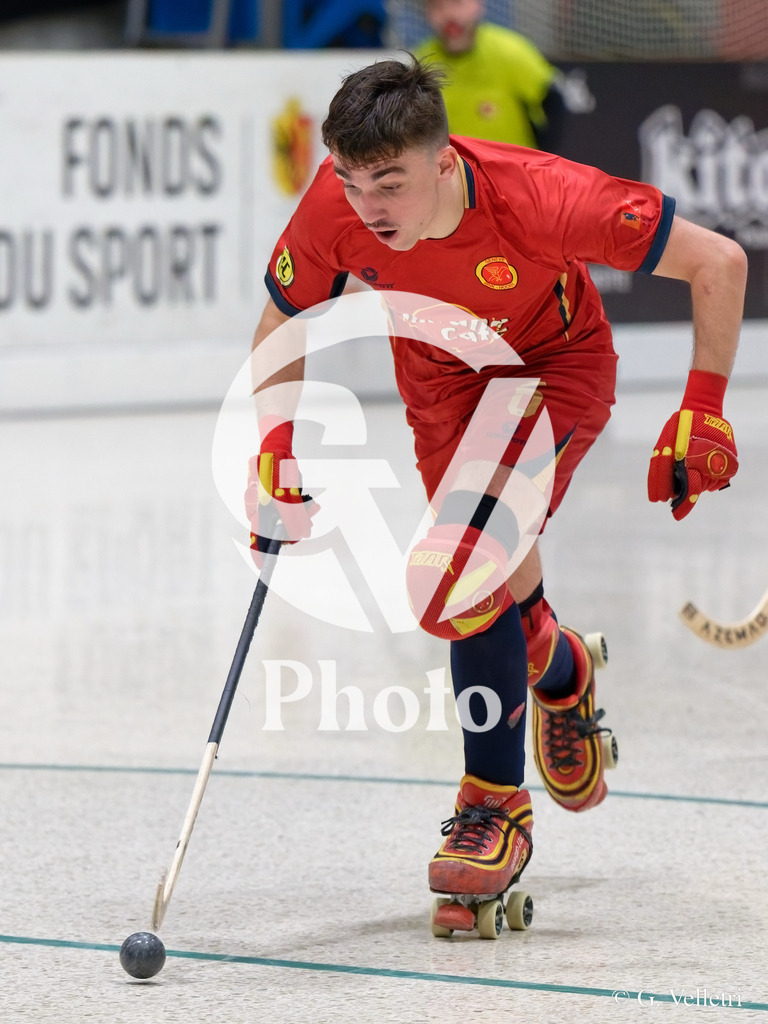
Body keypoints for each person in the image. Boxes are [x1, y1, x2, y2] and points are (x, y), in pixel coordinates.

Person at [245, 56, 746, 935]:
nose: (369, 208)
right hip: (442, 387)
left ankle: (493, 809)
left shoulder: (542, 197)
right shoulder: (337, 203)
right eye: (355, 183)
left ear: (443, 163)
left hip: (554, 369)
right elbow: (283, 320)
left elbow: (721, 261)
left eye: (390, 183)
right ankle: (561, 668)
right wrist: (275, 448)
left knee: (457, 573)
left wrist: (702, 408)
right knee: (485, 575)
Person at [414, 0, 565, 150]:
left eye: (457, 3)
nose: (449, 15)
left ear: (478, 5)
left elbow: (553, 100)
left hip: (513, 168)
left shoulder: (510, 51)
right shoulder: (421, 64)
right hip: (456, 170)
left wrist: (540, 162)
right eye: (437, 7)